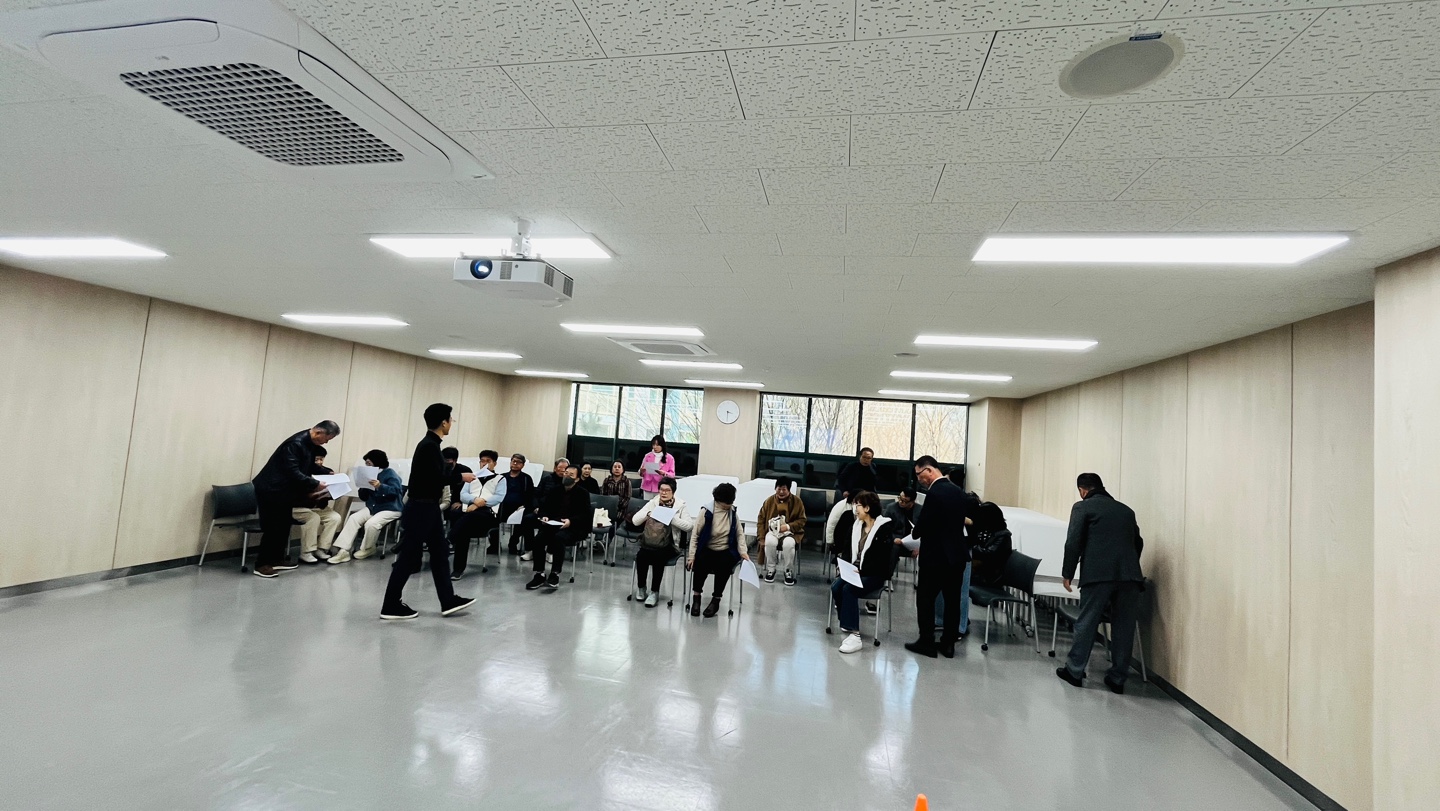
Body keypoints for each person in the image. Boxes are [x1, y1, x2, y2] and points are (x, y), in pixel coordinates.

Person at [379, 403, 477, 620]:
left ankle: (448, 600)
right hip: (421, 508)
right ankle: (390, 605)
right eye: (450, 419)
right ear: (443, 422)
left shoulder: (431, 445)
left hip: (427, 507)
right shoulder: (429, 446)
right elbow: (435, 478)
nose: (451, 423)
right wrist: (461, 477)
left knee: (440, 554)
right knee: (408, 557)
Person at [1056, 473, 1145, 694]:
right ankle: (1117, 679)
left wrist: (1067, 573)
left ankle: (1074, 671)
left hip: (1098, 576)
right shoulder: (1126, 511)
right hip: (1130, 577)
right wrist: (1128, 567)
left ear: (1082, 490)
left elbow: (1073, 542)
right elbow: (1138, 542)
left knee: (1087, 621)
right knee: (1123, 628)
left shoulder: (1082, 507)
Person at [251, 420, 339, 578]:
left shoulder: (309, 444)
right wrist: (315, 484)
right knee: (272, 528)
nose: (326, 442)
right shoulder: (295, 444)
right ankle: (262, 564)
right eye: (327, 439)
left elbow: (308, 465)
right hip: (271, 489)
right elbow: (292, 471)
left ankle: (276, 560)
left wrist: (327, 472)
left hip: (284, 491)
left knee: (283, 526)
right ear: (318, 432)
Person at [905, 455, 973, 659]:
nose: (919, 479)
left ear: (929, 470)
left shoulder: (934, 492)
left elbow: (925, 522)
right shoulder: (958, 491)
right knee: (952, 601)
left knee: (925, 599)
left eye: (919, 474)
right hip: (956, 556)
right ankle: (948, 644)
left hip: (936, 557)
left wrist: (915, 532)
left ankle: (926, 642)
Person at [830, 491, 899, 654]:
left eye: (858, 505)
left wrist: (862, 570)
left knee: (849, 590)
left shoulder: (884, 529)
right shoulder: (855, 526)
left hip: (874, 574)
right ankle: (847, 622)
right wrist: (844, 566)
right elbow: (847, 551)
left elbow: (882, 559)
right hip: (855, 571)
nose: (855, 508)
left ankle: (855, 636)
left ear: (867, 508)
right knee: (836, 587)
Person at [524, 459, 593, 591]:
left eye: (571, 475)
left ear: (577, 479)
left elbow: (585, 515)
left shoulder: (583, 494)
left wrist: (570, 521)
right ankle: (539, 573)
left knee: (558, 538)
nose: (566, 476)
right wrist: (544, 516)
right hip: (553, 524)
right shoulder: (555, 490)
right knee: (538, 539)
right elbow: (544, 507)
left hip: (573, 527)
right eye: (566, 473)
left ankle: (555, 574)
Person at [328, 450, 403, 564]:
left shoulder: (390, 473)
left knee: (371, 523)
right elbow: (364, 497)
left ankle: (368, 548)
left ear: (377, 462)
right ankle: (343, 550)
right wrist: (363, 486)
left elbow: (396, 491)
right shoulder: (369, 475)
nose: (367, 466)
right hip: (374, 507)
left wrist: (380, 486)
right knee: (353, 518)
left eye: (369, 463)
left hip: (391, 508)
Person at [686, 482, 749, 618]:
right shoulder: (706, 512)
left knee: (724, 566)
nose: (728, 506)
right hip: (707, 548)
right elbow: (695, 535)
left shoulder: (732, 512)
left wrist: (743, 552)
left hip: (725, 549)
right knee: (700, 563)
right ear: (717, 500)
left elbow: (739, 533)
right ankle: (696, 598)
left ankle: (716, 600)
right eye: (725, 504)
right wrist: (691, 556)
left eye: (730, 503)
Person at [630, 477, 694, 607]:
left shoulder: (680, 505)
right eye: (661, 490)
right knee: (641, 556)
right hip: (650, 541)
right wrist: (649, 513)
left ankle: (655, 591)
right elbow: (635, 521)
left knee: (658, 556)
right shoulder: (653, 502)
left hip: (670, 544)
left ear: (673, 492)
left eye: (667, 490)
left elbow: (689, 526)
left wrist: (671, 518)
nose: (663, 493)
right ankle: (641, 587)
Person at [447, 449, 500, 579]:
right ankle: (458, 569)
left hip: (488, 514)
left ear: (494, 463)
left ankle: (448, 540)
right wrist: (474, 500)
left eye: (488, 461)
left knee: (468, 518)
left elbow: (498, 498)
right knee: (463, 531)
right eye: (482, 461)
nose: (484, 464)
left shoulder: (500, 479)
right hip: (469, 514)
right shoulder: (472, 478)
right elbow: (463, 495)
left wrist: (477, 504)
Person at [294, 447, 343, 564]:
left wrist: (333, 493)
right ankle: (306, 552)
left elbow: (333, 494)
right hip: (299, 507)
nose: (319, 462)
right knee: (313, 518)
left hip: (319, 507)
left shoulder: (327, 472)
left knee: (335, 518)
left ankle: (322, 548)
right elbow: (296, 495)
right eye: (316, 459)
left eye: (322, 459)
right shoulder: (300, 472)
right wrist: (312, 495)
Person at [757, 476, 807, 586]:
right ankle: (771, 569)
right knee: (770, 542)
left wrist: (788, 526)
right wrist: (761, 537)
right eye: (778, 489)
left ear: (789, 490)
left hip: (790, 533)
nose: (781, 492)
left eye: (784, 489)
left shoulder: (797, 502)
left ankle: (788, 571)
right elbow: (761, 519)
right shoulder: (769, 501)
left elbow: (802, 520)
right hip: (772, 532)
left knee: (789, 544)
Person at [524, 458, 570, 561]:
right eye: (560, 468)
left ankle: (550, 552)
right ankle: (530, 550)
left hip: (558, 514)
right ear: (555, 468)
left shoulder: (567, 483)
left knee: (555, 524)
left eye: (565, 468)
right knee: (527, 519)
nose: (563, 470)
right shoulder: (546, 479)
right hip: (542, 511)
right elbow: (536, 495)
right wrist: (536, 507)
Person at [494, 453, 537, 555]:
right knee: (492, 517)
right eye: (513, 461)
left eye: (518, 462)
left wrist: (525, 505)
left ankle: (513, 542)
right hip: (503, 507)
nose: (515, 464)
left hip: (520, 507)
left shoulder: (526, 478)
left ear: (523, 465)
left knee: (525, 518)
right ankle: (494, 545)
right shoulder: (501, 477)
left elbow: (530, 495)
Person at [969, 502, 1013, 587]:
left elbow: (988, 554)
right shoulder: (989, 531)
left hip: (989, 576)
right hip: (982, 570)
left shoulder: (1003, 536)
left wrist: (970, 546)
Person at [438, 446, 473, 520]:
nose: (445, 463)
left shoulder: (465, 471)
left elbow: (471, 491)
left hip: (458, 502)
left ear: (455, 460)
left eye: (448, 460)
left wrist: (461, 503)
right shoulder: (440, 470)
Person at [639, 435, 675, 500]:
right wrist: (641, 471)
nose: (655, 447)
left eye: (657, 445)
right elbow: (641, 472)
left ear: (662, 445)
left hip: (661, 488)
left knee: (659, 504)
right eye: (653, 445)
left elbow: (672, 475)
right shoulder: (647, 456)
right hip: (647, 487)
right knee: (647, 505)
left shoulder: (670, 458)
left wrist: (664, 473)